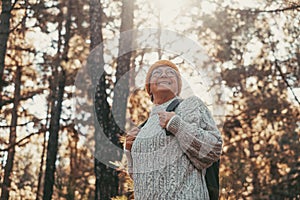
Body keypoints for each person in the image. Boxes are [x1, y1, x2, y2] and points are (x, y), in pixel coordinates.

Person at [124, 60, 223, 199]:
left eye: (171, 73)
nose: (164, 75)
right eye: (157, 73)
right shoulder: (143, 128)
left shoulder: (190, 105)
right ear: (149, 88)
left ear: (178, 87)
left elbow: (213, 149)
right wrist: (129, 151)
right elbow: (141, 179)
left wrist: (176, 125)